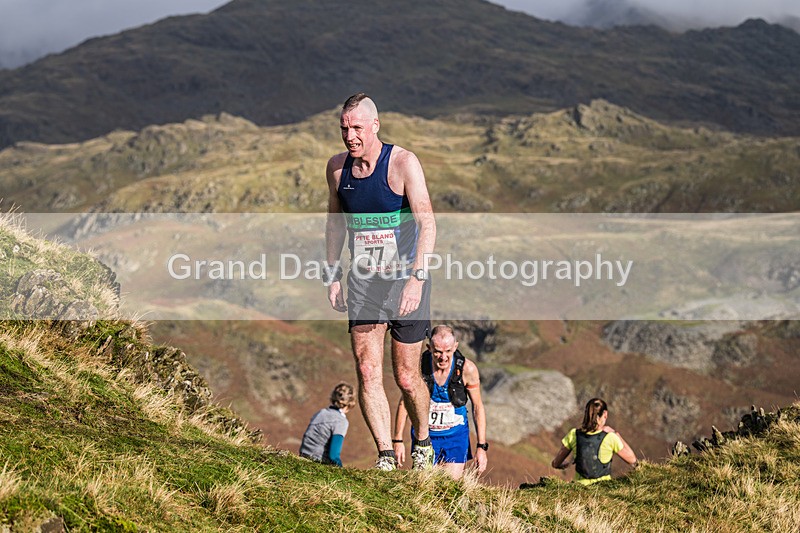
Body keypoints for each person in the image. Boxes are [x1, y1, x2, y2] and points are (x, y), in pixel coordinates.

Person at [324, 93, 437, 471]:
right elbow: (334, 223)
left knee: (406, 378)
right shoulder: (337, 170)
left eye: (356, 127)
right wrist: (332, 274)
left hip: (405, 281)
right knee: (368, 371)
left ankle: (422, 441)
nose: (349, 136)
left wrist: (417, 279)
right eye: (344, 128)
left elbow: (427, 223)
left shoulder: (403, 163)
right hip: (362, 283)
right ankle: (386, 456)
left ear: (375, 125)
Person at [393, 325, 488, 479]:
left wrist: (481, 447)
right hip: (424, 437)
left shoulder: (467, 369)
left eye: (448, 351)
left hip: (455, 436)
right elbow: (405, 403)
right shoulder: (419, 368)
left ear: (455, 347)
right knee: (424, 485)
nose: (443, 357)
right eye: (437, 352)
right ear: (429, 348)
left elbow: (478, 407)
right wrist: (397, 440)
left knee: (450, 486)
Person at [551, 397, 638, 485]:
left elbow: (555, 463)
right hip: (603, 490)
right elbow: (632, 460)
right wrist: (616, 434)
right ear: (605, 414)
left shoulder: (574, 434)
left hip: (579, 490)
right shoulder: (610, 437)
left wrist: (562, 464)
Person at [299, 382, 357, 466]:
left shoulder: (321, 413)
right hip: (318, 461)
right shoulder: (341, 421)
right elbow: (334, 456)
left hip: (303, 455)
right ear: (350, 403)